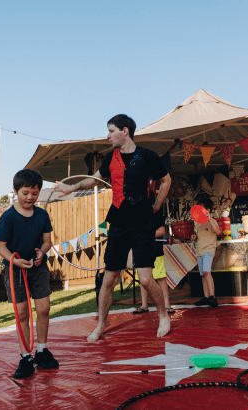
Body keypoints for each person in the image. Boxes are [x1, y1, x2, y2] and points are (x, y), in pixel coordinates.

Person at [54, 114, 172, 342]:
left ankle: (163, 315)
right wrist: (73, 188)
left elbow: (166, 180)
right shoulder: (109, 158)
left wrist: (157, 204)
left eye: (111, 131)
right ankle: (100, 325)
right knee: (109, 278)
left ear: (125, 131)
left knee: (146, 279)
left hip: (143, 222)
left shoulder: (148, 156)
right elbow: (94, 179)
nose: (107, 136)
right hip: (118, 221)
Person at [0, 169, 58, 379]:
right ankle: (25, 356)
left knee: (44, 309)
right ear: (15, 191)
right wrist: (15, 260)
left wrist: (42, 252)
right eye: (25, 193)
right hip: (16, 271)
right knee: (22, 314)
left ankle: (41, 350)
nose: (30, 197)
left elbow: (47, 241)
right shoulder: (8, 217)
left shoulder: (42, 215)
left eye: (34, 193)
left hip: (38, 268)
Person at [133, 212, 174, 315]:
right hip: (140, 251)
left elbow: (162, 231)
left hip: (156, 252)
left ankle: (167, 305)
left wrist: (145, 234)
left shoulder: (156, 214)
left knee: (160, 278)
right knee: (143, 279)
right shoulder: (135, 214)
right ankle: (144, 305)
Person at [190, 198, 221, 307]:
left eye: (201, 208)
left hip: (209, 249)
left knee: (207, 272)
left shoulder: (212, 221)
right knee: (203, 274)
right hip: (199, 250)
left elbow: (218, 232)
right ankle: (206, 297)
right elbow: (196, 235)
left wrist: (209, 219)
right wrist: (193, 237)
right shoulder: (197, 222)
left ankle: (213, 297)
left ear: (208, 210)